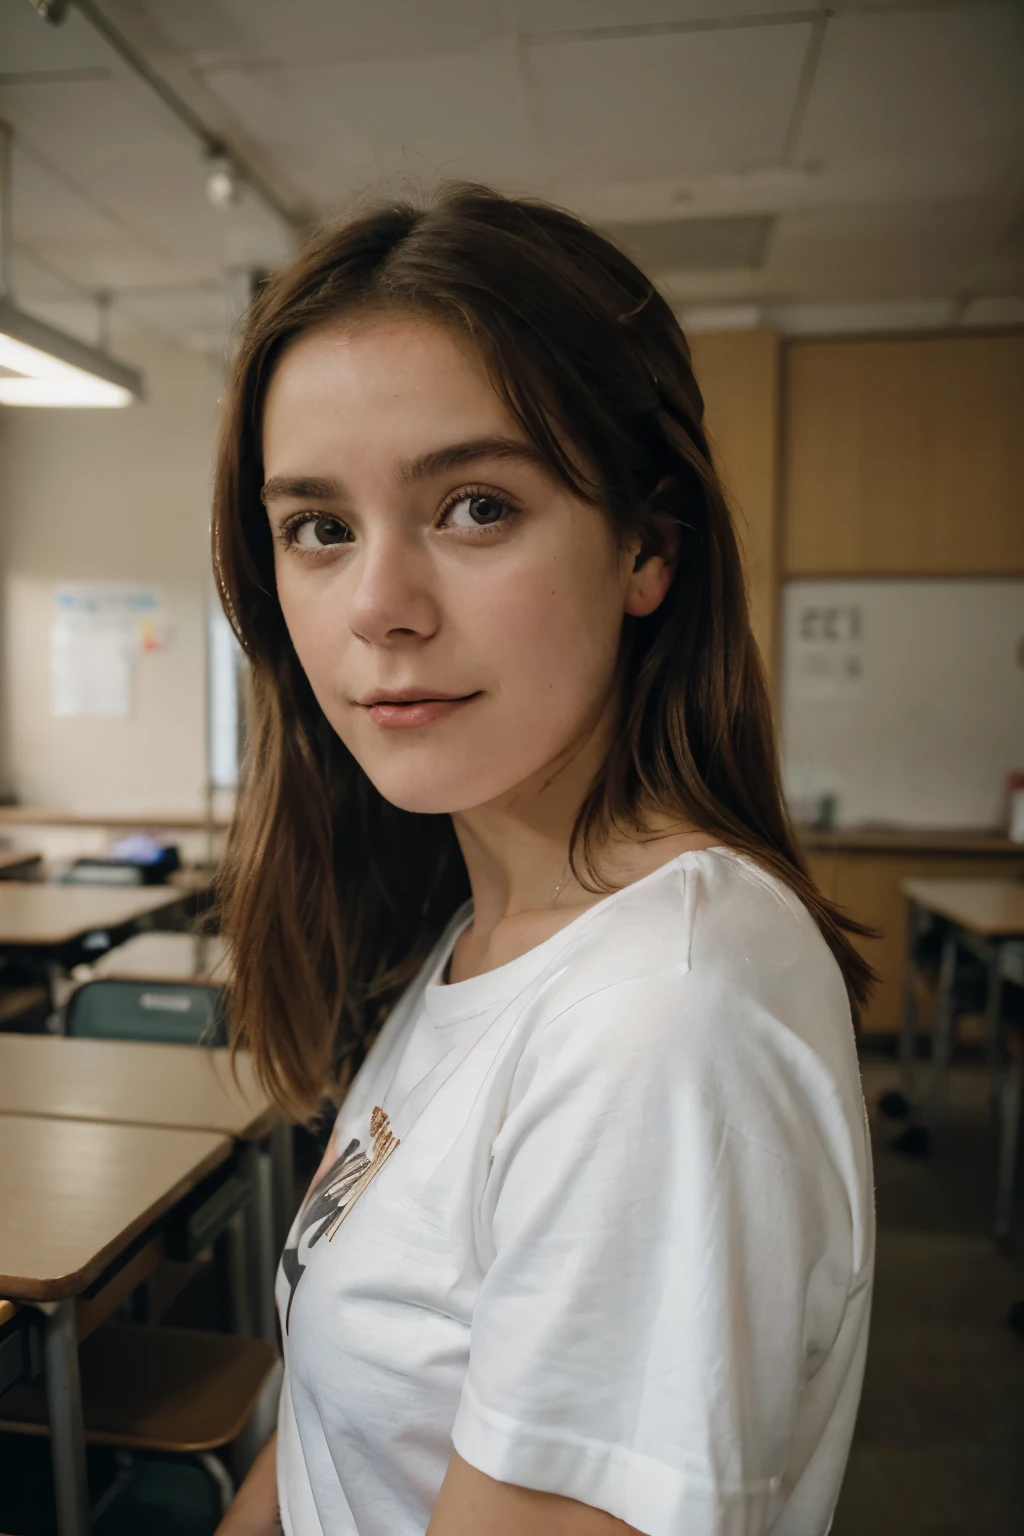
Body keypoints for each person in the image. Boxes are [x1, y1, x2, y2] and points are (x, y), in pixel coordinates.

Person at [212, 184, 875, 1536]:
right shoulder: (488, 930)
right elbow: (330, 1444)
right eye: (318, 527)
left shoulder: (656, 1025)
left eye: (472, 506)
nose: (379, 608)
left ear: (648, 544)